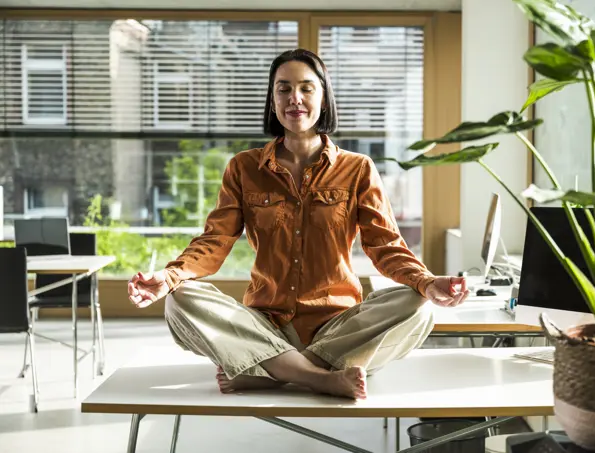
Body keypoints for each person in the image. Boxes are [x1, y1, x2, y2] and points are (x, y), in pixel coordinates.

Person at [128, 48, 469, 400]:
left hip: (338, 327)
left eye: (306, 88)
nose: (295, 99)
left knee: (418, 307)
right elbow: (215, 240)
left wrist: (426, 282)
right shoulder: (244, 168)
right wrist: (169, 277)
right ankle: (319, 377)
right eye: (283, 88)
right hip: (265, 324)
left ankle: (270, 372)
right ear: (272, 99)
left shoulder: (358, 168)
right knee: (180, 299)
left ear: (323, 97)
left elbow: (385, 246)